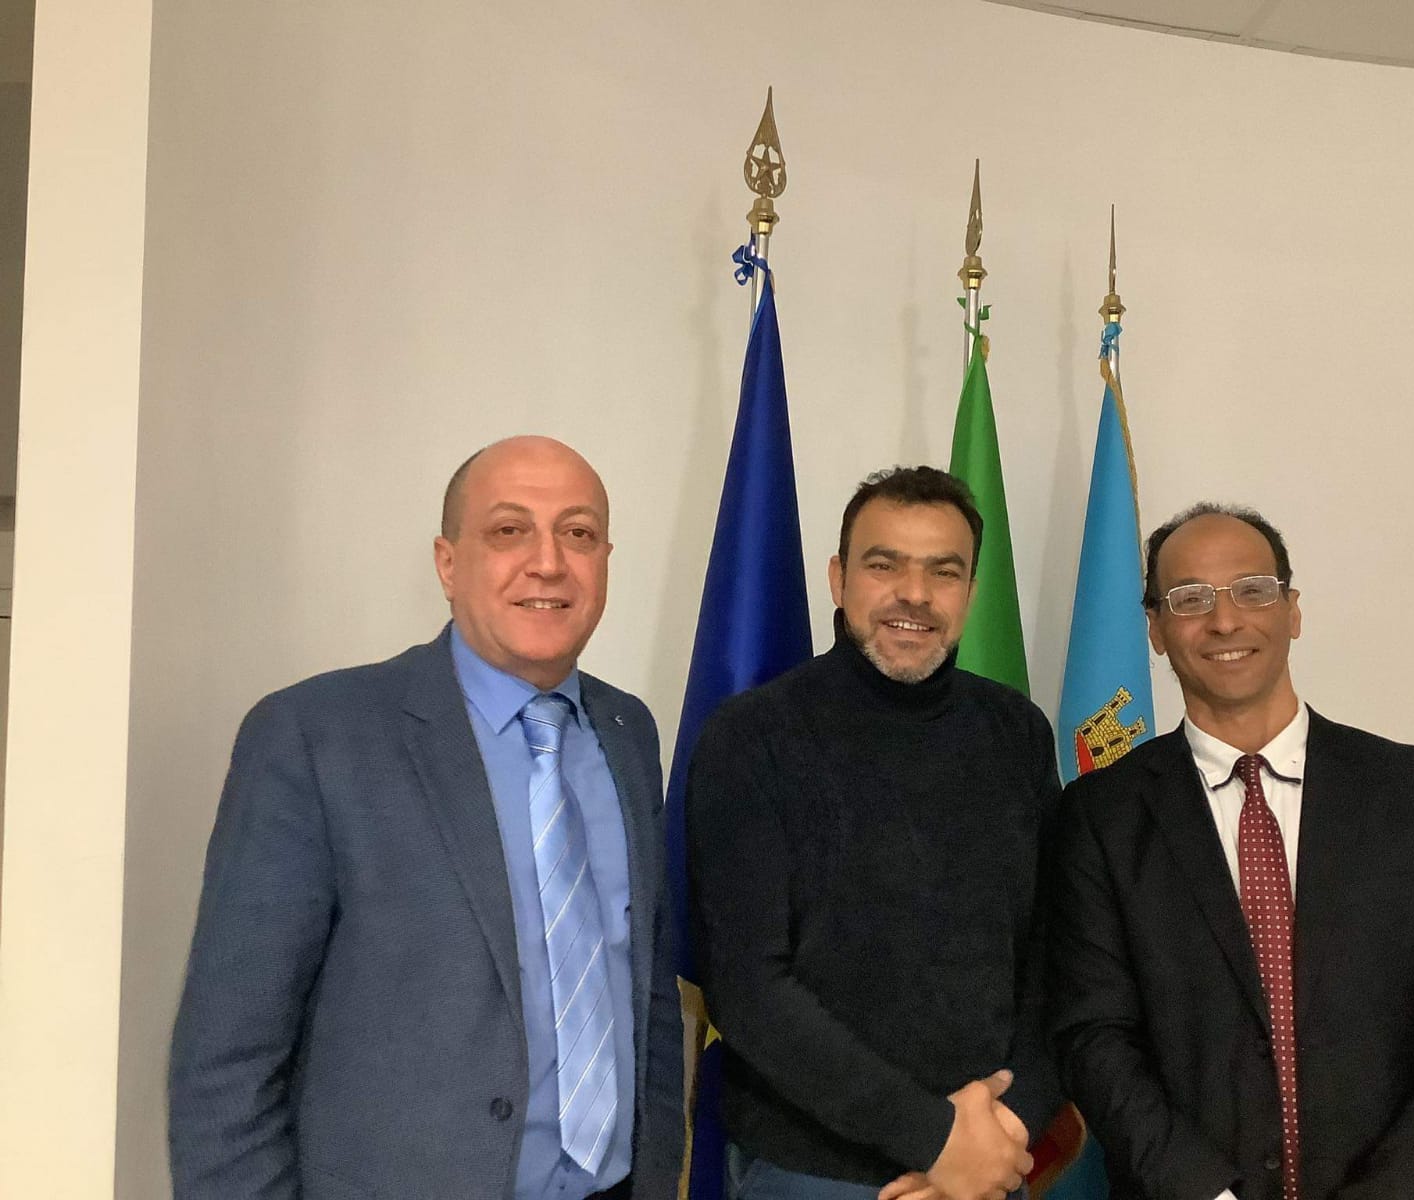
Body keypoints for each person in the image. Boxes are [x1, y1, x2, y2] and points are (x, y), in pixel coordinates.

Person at [169, 436, 683, 1200]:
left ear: (605, 560)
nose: (548, 562)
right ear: (448, 564)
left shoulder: (627, 731)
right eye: (509, 530)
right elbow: (227, 1060)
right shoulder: (316, 736)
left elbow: (644, 995)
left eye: (578, 533)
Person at [1047, 502, 1414, 1200]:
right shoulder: (1099, 817)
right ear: (1154, 629)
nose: (1224, 620)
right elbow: (1095, 1036)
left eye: (1252, 590)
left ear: (1292, 610)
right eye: (1190, 599)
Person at [687, 466, 1060, 1200]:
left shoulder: (1016, 732)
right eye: (884, 565)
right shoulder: (751, 738)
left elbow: (1055, 958)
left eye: (943, 572)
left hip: (990, 1165)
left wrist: (999, 1134)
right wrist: (934, 1139)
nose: (914, 594)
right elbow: (749, 988)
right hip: (807, 1173)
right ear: (839, 579)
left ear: (970, 591)